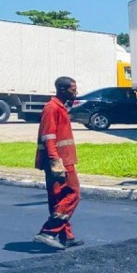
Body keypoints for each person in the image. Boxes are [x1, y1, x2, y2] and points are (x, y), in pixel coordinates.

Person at [33, 76, 82, 250]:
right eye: (72, 89)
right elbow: (49, 137)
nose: (76, 92)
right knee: (73, 194)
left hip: (64, 160)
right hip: (59, 161)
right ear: (62, 90)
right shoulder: (51, 108)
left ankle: (65, 236)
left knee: (59, 198)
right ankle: (48, 232)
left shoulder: (60, 107)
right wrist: (55, 161)